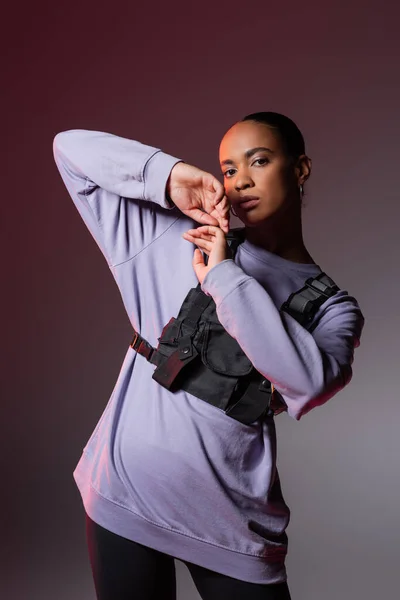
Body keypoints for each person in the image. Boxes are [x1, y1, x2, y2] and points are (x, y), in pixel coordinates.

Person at [53, 112, 364, 600]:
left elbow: (306, 382)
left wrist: (222, 275)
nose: (241, 181)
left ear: (300, 169)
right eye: (229, 169)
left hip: (231, 526)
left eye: (259, 161)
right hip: (125, 494)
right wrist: (170, 175)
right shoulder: (174, 240)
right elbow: (69, 148)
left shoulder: (333, 309)